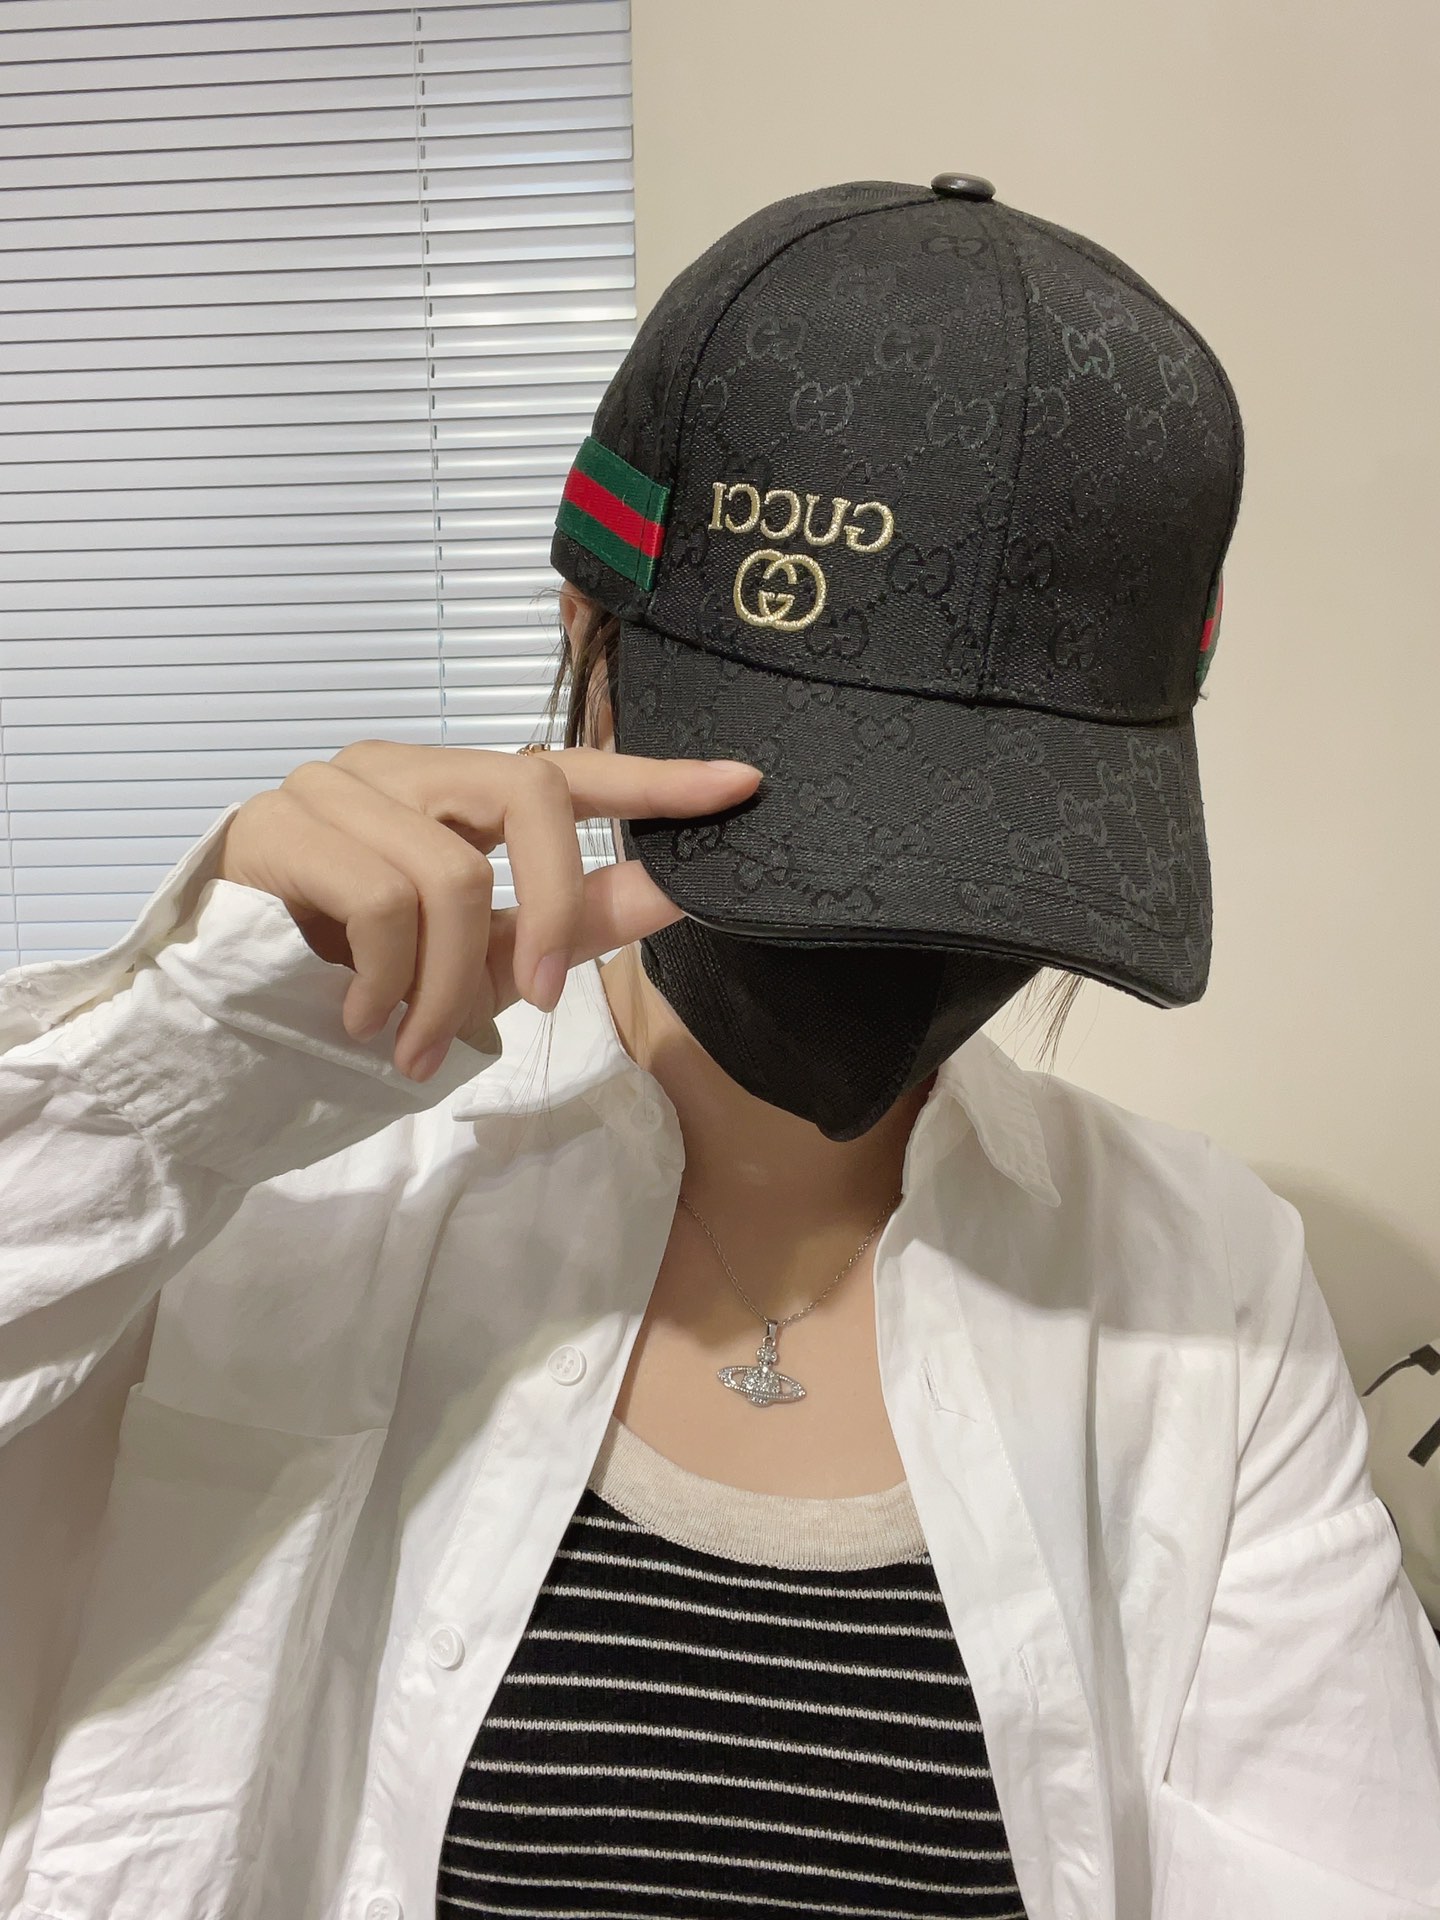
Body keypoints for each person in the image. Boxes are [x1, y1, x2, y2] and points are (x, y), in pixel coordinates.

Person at [1, 175, 1437, 1920]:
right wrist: (192, 1056)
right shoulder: (278, 1176)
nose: (885, 920)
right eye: (810, 805)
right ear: (590, 640)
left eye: (991, 844)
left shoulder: (1201, 1284)